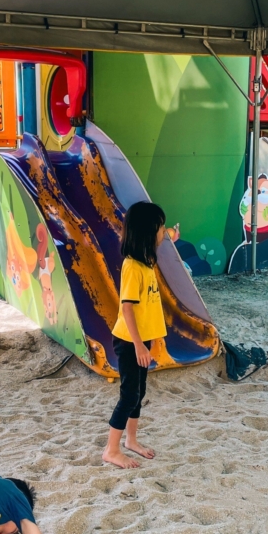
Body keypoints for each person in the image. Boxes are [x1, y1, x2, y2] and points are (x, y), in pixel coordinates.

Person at [104, 201, 178, 469]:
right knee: (129, 395)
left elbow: (160, 241)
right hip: (129, 340)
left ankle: (130, 441)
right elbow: (127, 308)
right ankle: (111, 450)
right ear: (148, 232)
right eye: (160, 228)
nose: (163, 232)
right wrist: (138, 345)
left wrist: (170, 237)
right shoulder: (133, 268)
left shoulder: (145, 261)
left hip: (140, 340)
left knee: (139, 391)